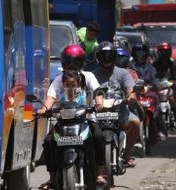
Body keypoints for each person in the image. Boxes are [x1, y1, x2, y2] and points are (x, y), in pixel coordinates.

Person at [38, 45, 107, 189]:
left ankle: (99, 174)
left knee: (99, 136)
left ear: (81, 62)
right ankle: (52, 178)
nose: (72, 66)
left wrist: (99, 102)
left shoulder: (88, 76)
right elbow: (50, 97)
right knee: (49, 141)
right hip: (64, 121)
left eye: (75, 62)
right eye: (69, 62)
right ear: (64, 63)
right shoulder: (59, 79)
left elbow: (98, 91)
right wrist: (44, 109)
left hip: (86, 119)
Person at [92, 41, 140, 167]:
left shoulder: (123, 73)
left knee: (135, 122)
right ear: (98, 57)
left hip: (119, 110)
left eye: (109, 55)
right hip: (98, 112)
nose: (106, 59)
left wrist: (131, 97)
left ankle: (127, 154)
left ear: (114, 56)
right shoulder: (92, 75)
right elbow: (86, 93)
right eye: (103, 56)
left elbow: (131, 91)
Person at [153, 42, 176, 128]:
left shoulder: (173, 62)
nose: (164, 54)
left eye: (166, 51)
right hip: (158, 86)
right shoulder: (155, 64)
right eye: (162, 52)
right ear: (158, 52)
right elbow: (152, 75)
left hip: (171, 85)